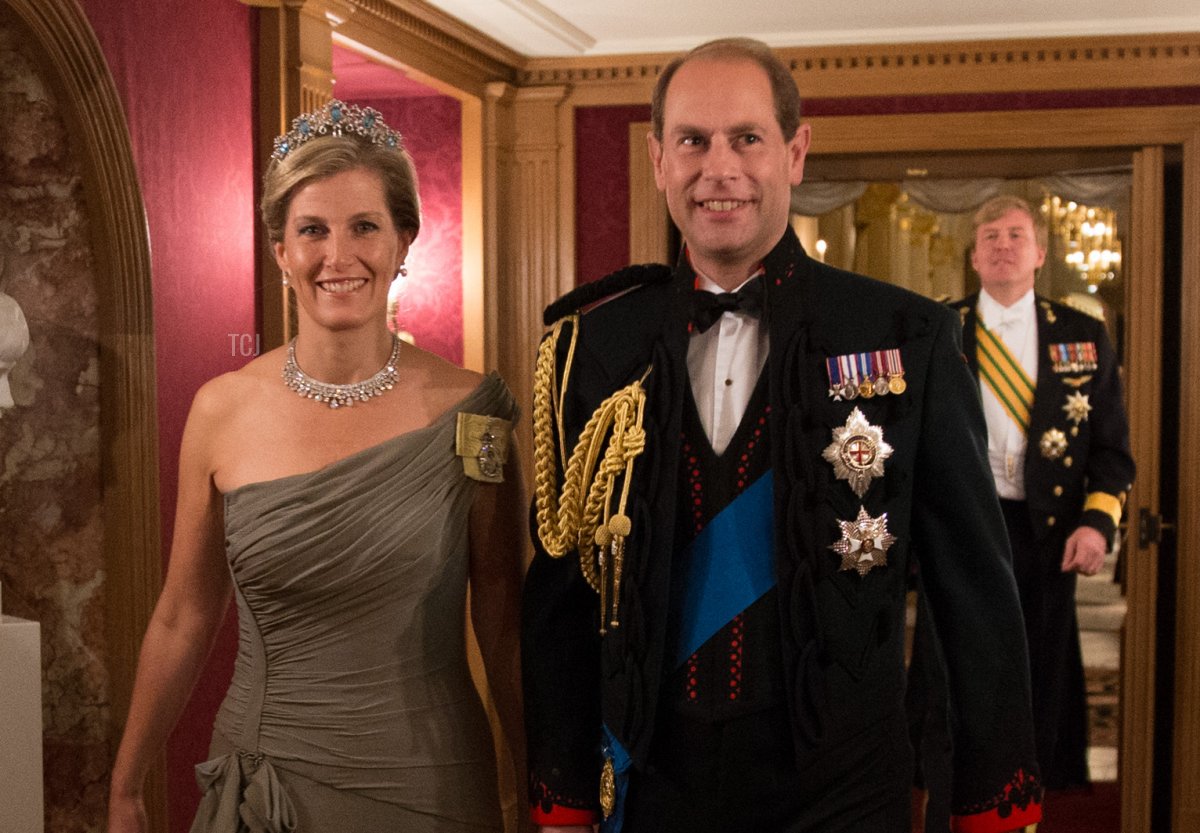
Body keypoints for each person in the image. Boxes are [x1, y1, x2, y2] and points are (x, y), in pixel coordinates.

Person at [523, 38, 1043, 833]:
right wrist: (561, 798)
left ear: (795, 153)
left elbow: (973, 589)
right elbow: (564, 596)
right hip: (653, 787)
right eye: (693, 141)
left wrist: (990, 800)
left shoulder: (905, 337)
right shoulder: (594, 348)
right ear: (659, 160)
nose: (719, 167)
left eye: (747, 138)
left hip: (842, 792)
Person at [107, 100, 527, 832]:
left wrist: (538, 784)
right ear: (280, 251)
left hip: (430, 786)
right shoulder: (221, 409)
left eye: (364, 226)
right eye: (312, 230)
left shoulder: (473, 411)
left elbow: (501, 613)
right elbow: (183, 613)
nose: (339, 256)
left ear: (403, 242)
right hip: (266, 785)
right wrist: (126, 784)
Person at [951, 194, 1135, 789]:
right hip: (963, 527)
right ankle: (961, 793)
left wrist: (1096, 523)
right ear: (974, 255)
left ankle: (1042, 795)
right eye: (990, 236)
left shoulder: (1082, 334)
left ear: (1040, 253)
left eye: (1016, 235)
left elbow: (1111, 452)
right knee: (962, 666)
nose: (1003, 246)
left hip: (1048, 532)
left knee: (1043, 673)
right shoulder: (937, 329)